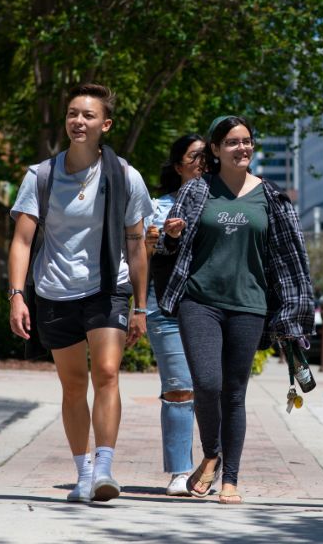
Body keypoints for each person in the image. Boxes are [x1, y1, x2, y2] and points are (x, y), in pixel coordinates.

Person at [8, 84, 153, 503]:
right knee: (73, 385)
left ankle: (105, 470)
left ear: (105, 125)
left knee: (106, 373)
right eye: (73, 113)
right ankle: (83, 473)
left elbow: (136, 244)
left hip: (107, 287)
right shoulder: (41, 176)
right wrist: (17, 295)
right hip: (54, 290)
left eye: (88, 115)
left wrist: (141, 306)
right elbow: (21, 241)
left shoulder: (126, 176)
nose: (79, 121)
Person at [157, 115, 314, 504]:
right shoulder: (196, 192)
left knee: (235, 393)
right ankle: (211, 452)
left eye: (246, 141)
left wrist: (294, 311)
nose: (241, 148)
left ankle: (230, 479)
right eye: (231, 142)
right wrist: (170, 237)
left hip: (249, 305)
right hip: (200, 301)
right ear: (215, 149)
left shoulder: (273, 197)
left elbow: (291, 258)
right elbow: (167, 250)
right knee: (207, 384)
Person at [143, 134, 206, 496]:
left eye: (205, 156)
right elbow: (140, 260)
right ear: (179, 165)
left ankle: (213, 467)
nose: (201, 163)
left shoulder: (224, 202)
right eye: (193, 157)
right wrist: (153, 242)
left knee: (213, 390)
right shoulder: (158, 207)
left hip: (213, 308)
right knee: (179, 389)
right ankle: (180, 472)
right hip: (165, 307)